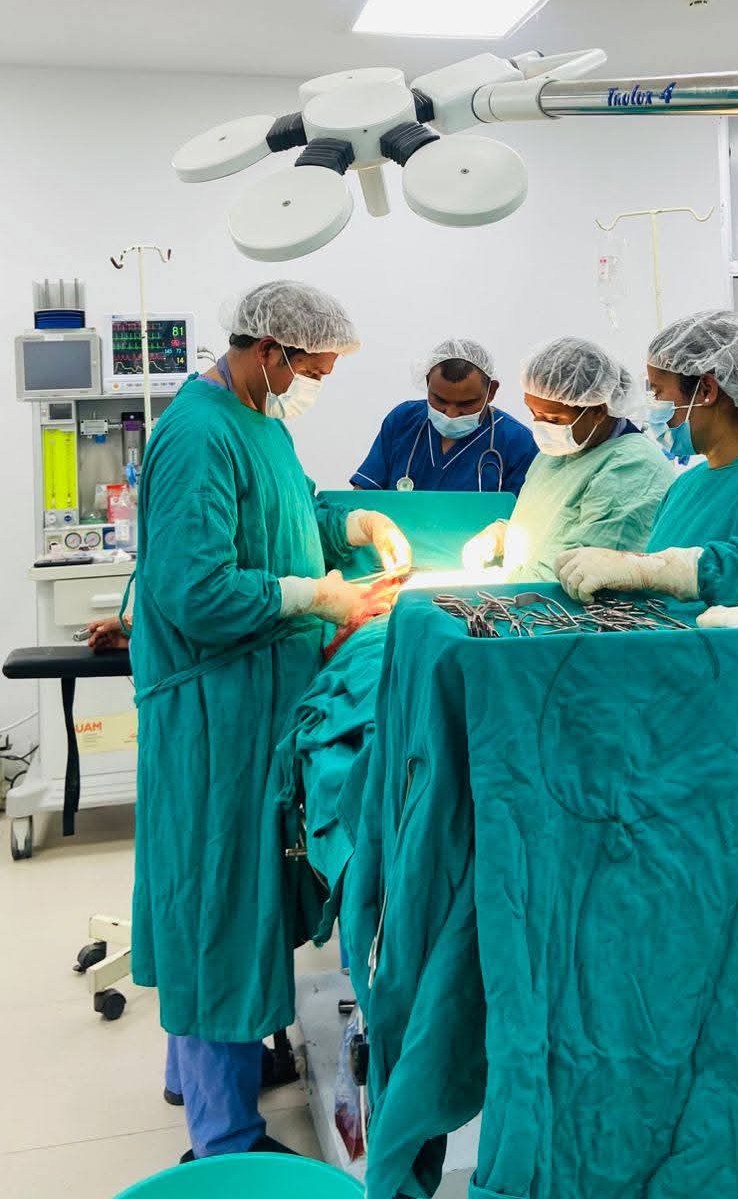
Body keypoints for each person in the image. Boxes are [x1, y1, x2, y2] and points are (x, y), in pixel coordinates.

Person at [126, 281, 411, 1163]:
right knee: (216, 902)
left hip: (259, 702)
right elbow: (196, 590)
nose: (315, 383)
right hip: (215, 714)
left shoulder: (259, 422)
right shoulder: (198, 434)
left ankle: (205, 1065)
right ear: (268, 351)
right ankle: (223, 1139)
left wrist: (353, 522)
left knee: (237, 899)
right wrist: (316, 597)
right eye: (312, 369)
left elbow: (290, 511)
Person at [556, 310, 738, 610]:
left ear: (706, 390)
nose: (653, 408)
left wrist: (681, 571)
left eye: (658, 392)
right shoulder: (684, 487)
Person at [463, 336, 673, 580]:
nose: (541, 426)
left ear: (598, 410)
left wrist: (506, 585)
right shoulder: (558, 452)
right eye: (533, 413)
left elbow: (586, 572)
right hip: (528, 595)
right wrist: (502, 536)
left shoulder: (632, 468)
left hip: (561, 602)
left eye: (553, 419)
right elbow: (551, 526)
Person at [352, 337, 537, 495]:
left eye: (466, 404)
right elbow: (364, 492)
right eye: (440, 400)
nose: (451, 414)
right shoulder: (403, 420)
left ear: (491, 391)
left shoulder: (518, 443)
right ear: (427, 383)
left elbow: (528, 516)